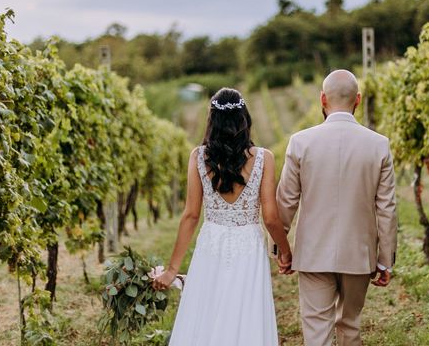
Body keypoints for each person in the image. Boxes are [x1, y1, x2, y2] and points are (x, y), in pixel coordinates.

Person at [152, 88, 292, 346]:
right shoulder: (264, 158)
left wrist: (173, 269)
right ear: (244, 119)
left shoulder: (199, 157)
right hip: (248, 244)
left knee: (207, 309)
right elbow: (271, 217)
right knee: (246, 311)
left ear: (211, 121)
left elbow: (191, 215)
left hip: (211, 242)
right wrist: (285, 251)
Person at [276, 69, 398, 346]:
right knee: (350, 326)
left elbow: (286, 200)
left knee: (316, 331)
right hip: (359, 253)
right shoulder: (379, 145)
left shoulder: (300, 142)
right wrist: (385, 259)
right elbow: (387, 207)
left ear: (322, 99)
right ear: (357, 100)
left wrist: (280, 247)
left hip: (313, 251)